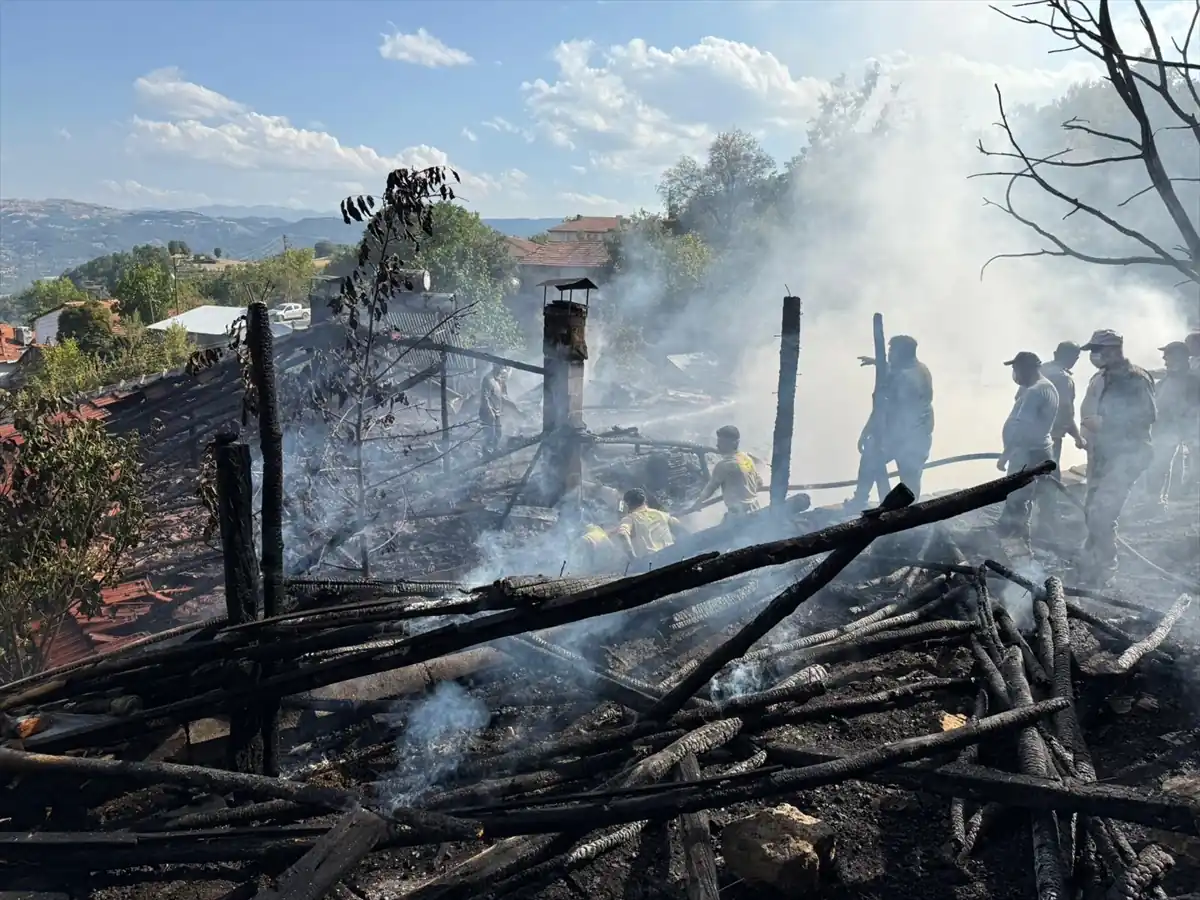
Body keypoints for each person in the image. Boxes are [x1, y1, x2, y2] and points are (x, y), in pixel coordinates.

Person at [1077, 329, 1157, 587]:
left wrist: (1106, 423)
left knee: (1102, 513)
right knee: (1091, 509)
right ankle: (1090, 562)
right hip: (1103, 453)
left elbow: (1148, 415)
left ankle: (1105, 569)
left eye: (1096, 350)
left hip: (1128, 454)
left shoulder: (1136, 378)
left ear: (1113, 350)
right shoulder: (1100, 376)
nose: (1093, 355)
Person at [996, 352, 1059, 546]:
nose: (1014, 373)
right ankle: (1013, 537)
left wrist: (1006, 454)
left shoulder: (1035, 392)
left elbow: (1023, 428)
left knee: (1017, 497)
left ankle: (1015, 543)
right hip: (1038, 451)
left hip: (1028, 453)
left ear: (1026, 369)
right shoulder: (1046, 387)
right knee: (1024, 497)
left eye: (1016, 369)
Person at [871, 334, 935, 499]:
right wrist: (879, 364)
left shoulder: (904, 378)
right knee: (911, 480)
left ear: (901, 353)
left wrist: (876, 434)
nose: (889, 354)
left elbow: (889, 409)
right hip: (919, 436)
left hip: (907, 438)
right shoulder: (921, 369)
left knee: (873, 458)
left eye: (892, 350)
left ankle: (864, 499)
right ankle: (907, 507)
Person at [1144, 341, 1200, 503]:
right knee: (1159, 466)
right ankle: (1157, 500)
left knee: (1190, 464)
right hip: (1165, 430)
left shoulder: (1193, 382)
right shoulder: (1164, 382)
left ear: (1180, 358)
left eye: (1167, 356)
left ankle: (1182, 496)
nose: (1164, 359)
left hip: (1186, 430)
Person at [687, 425, 764, 519]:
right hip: (755, 509)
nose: (717, 445)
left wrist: (698, 503)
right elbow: (760, 483)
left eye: (721, 442)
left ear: (733, 443)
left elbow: (710, 488)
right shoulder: (747, 458)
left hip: (739, 516)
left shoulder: (724, 465)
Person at [1040, 341, 1086, 471]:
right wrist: (1078, 437)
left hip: (1025, 434)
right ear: (1075, 359)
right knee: (1049, 474)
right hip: (1049, 437)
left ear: (1055, 354)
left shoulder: (1039, 371)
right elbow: (1065, 411)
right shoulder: (1063, 378)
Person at [616, 488, 688, 560]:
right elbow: (681, 530)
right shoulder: (662, 514)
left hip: (651, 561)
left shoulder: (629, 519)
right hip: (673, 557)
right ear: (645, 500)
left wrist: (632, 557)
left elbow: (622, 533)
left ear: (627, 504)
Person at [479, 364, 511, 455]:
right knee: (489, 434)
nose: (502, 370)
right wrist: (490, 411)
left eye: (503, 368)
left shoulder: (499, 379)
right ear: (495, 367)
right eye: (500, 368)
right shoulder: (488, 379)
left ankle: (494, 449)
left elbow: (503, 395)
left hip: (496, 411)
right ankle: (486, 452)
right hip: (487, 412)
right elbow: (484, 397)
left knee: (498, 432)